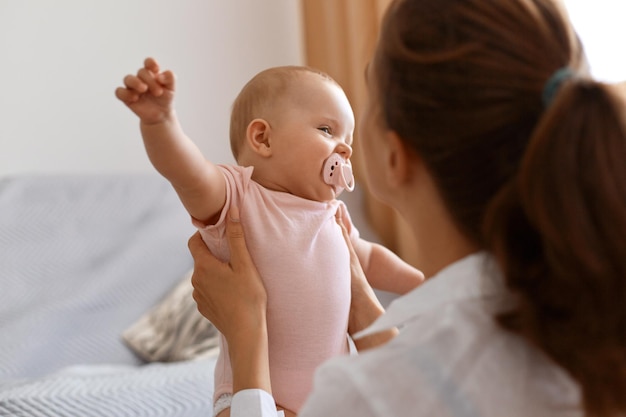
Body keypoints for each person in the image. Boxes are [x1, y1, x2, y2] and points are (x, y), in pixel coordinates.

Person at [187, 0, 626, 415]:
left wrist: (248, 334)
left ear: (395, 156)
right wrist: (364, 307)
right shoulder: (588, 324)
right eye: (327, 127)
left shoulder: (364, 397)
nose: (345, 144)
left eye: (365, 108)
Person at [115, 61, 424, 416]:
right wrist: (160, 122)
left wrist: (423, 283)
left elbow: (367, 259)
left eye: (348, 140)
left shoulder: (332, 213)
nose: (345, 149)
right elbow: (187, 173)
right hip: (252, 394)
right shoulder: (239, 196)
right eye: (327, 130)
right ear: (263, 138)